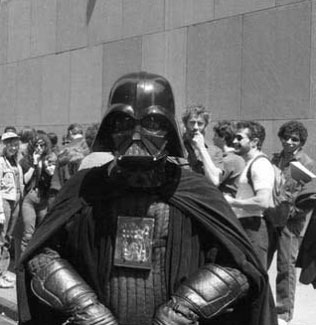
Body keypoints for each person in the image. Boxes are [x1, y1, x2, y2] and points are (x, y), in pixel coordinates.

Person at [17, 72, 275, 325]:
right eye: (123, 123)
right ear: (109, 128)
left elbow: (241, 266)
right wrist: (85, 308)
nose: (136, 135)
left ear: (170, 130)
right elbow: (41, 255)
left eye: (152, 123)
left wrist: (184, 309)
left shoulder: (195, 191)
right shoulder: (85, 187)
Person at [268, 121, 315, 324]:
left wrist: (292, 212)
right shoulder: (275, 159)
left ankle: (283, 312)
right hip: (271, 217)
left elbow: (309, 196)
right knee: (260, 262)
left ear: (301, 142)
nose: (289, 142)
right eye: (286, 137)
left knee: (285, 266)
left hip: (290, 222)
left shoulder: (304, 162)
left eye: (294, 139)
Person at [225, 120, 275, 266]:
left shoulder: (260, 164)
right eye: (234, 137)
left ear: (254, 142)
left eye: (239, 138)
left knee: (255, 279)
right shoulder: (250, 163)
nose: (234, 141)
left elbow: (262, 202)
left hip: (254, 228)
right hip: (246, 227)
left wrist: (233, 202)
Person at [0, 131, 24, 288]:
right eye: (10, 144)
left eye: (15, 145)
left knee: (7, 238)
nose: (13, 148)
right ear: (3, 145)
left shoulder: (14, 161)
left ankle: (2, 271)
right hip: (4, 202)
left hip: (15, 201)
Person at [18, 132, 56, 256]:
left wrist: (50, 172)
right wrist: (34, 164)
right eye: (36, 145)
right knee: (28, 233)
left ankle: (40, 258)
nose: (39, 148)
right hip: (30, 198)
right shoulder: (26, 160)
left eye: (42, 145)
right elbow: (25, 179)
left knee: (43, 231)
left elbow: (54, 180)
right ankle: (24, 261)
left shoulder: (49, 159)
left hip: (43, 199)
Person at [182, 105, 224, 183]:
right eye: (192, 122)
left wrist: (202, 148)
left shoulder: (215, 151)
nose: (195, 127)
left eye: (200, 123)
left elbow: (215, 181)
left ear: (205, 126)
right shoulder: (176, 147)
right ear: (185, 124)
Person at [211, 121, 246, 197]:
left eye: (215, 135)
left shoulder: (230, 160)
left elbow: (212, 180)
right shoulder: (236, 157)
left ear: (223, 138)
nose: (213, 139)